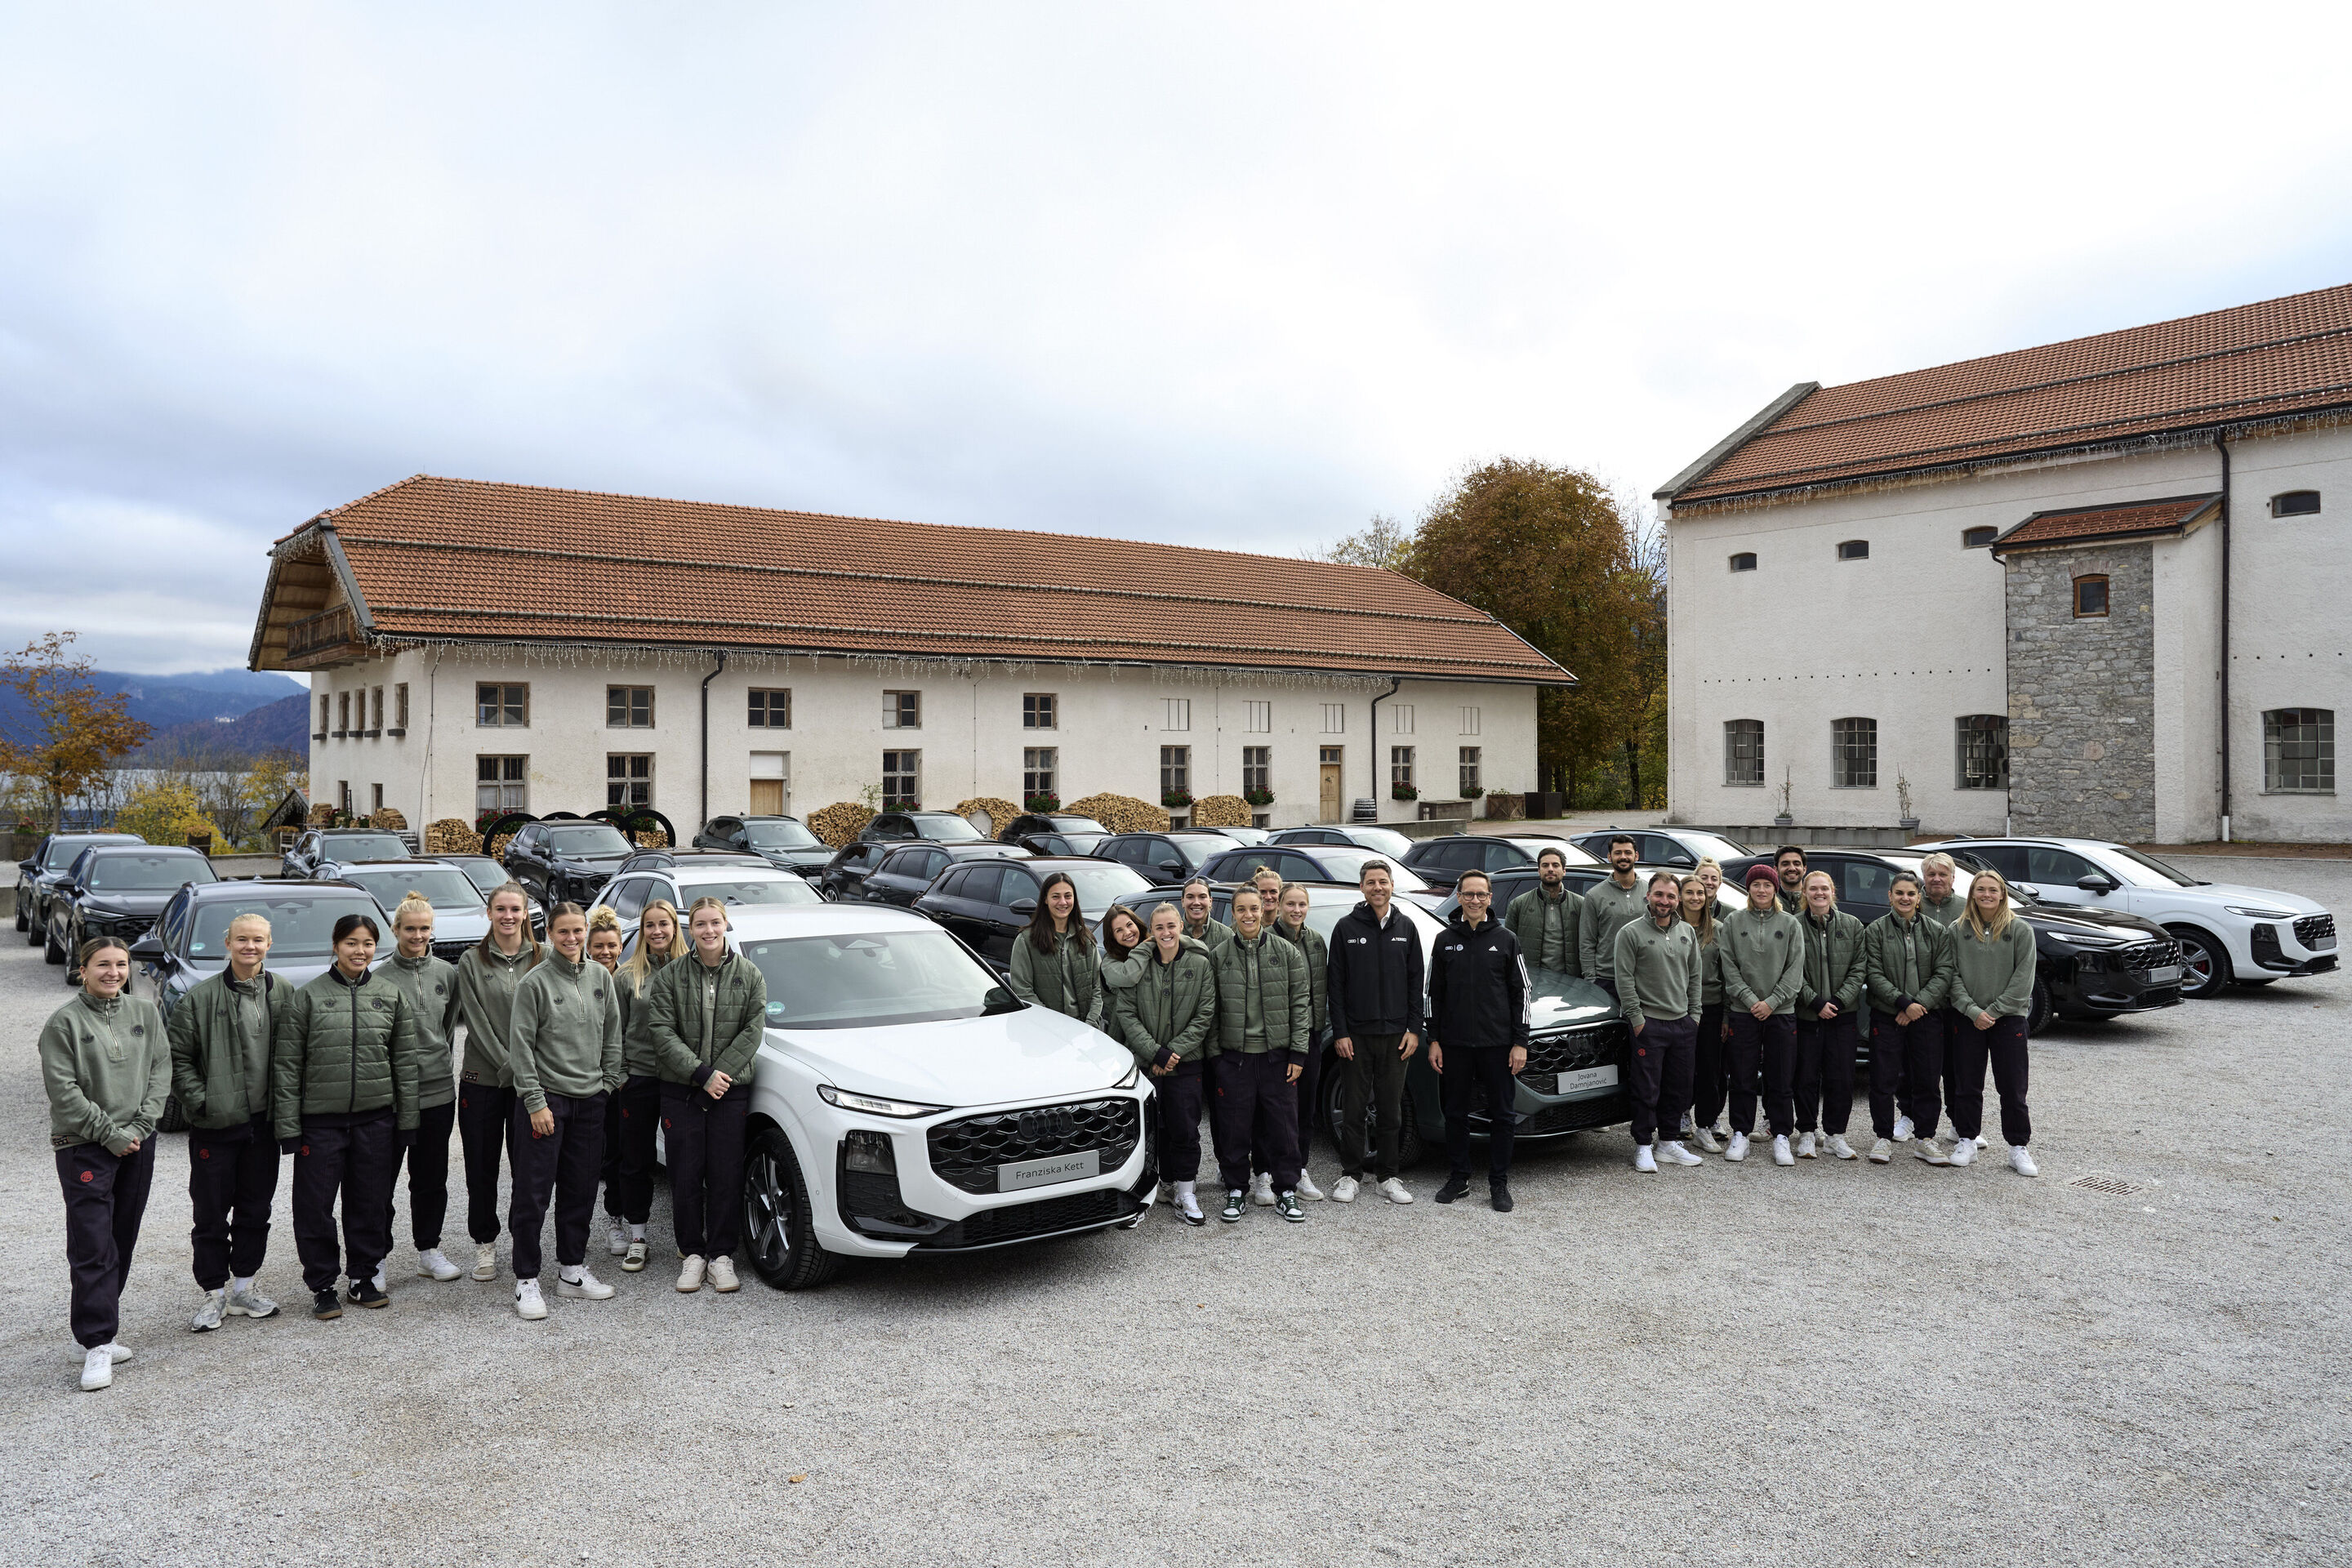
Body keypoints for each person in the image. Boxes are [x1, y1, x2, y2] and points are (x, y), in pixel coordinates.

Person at [274, 913, 421, 1321]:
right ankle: (323, 1284)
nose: (360, 951)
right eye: (352, 943)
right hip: (320, 1124)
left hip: (376, 1122)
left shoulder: (390, 995)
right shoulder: (308, 997)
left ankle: (363, 1277)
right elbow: (287, 1066)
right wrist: (289, 1128)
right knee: (315, 1207)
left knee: (370, 1203)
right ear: (336, 945)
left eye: (368, 944)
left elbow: (404, 1064)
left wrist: (407, 1121)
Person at [42, 936, 169, 1391]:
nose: (113, 972)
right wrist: (109, 1134)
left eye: (120, 964)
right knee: (93, 1244)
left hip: (137, 1141)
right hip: (84, 1146)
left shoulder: (145, 1014)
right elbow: (65, 1091)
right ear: (83, 969)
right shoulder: (64, 1024)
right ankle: (97, 1343)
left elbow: (160, 1072)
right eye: (102, 965)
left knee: (122, 1236)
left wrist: (139, 1126)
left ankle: (99, 1325)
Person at [169, 910, 289, 1332]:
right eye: (242, 939)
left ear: (269, 944)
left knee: (256, 1210)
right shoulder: (199, 999)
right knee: (211, 1212)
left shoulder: (284, 993)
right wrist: (203, 1104)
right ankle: (213, 1294)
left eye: (258, 939)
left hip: (264, 1125)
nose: (250, 946)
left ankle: (244, 1288)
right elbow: (178, 1059)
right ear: (228, 943)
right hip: (215, 1126)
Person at [506, 904, 622, 1318]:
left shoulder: (599, 978)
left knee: (580, 1189)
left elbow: (612, 1034)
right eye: (563, 932)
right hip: (546, 1102)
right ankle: (526, 1279)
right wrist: (535, 1102)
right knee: (533, 1194)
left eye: (578, 931)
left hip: (590, 1101)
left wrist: (606, 1086)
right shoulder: (534, 983)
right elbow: (520, 1048)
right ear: (549, 933)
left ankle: (571, 1270)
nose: (571, 939)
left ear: (586, 931)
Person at [650, 897, 770, 1291]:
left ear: (725, 924)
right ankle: (692, 1255)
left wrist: (721, 1075)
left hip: (729, 1092)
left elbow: (753, 1030)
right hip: (682, 1090)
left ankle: (721, 1256)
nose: (708, 931)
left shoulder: (750, 974)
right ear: (690, 929)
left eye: (714, 923)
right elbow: (662, 1031)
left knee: (725, 1174)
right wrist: (702, 1074)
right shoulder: (670, 976)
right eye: (700, 924)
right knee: (685, 1174)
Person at [373, 895, 465, 1290]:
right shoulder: (377, 977)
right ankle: (373, 1258)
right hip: (391, 1097)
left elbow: (447, 1031)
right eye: (409, 929)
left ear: (432, 931)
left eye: (424, 928)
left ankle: (428, 1250)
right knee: (379, 1180)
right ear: (395, 931)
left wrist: (437, 1063)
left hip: (438, 1093)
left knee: (430, 1178)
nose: (417, 935)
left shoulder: (447, 974)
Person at [452, 884, 541, 1282]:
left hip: (531, 1086)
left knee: (528, 1170)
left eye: (515, 909)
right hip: (483, 1081)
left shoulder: (544, 956)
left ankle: (526, 1242)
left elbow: (549, 1024)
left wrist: (524, 1074)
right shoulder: (471, 961)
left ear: (526, 913)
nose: (508, 916)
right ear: (489, 913)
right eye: (500, 909)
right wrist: (511, 1067)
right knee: (481, 1169)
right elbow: (475, 1021)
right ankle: (485, 1245)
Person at [1205, 888, 1311, 1223]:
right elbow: (1210, 1010)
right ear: (1232, 914)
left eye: (1254, 908)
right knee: (1235, 1128)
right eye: (1241, 910)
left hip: (1277, 1057)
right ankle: (1237, 1189)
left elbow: (1300, 1004)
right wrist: (1217, 1059)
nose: (1249, 915)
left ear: (1264, 909)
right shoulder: (1219, 955)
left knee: (1284, 1127)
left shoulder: (1286, 952)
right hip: (1235, 1059)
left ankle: (1287, 1191)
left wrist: (1298, 1052)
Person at [1109, 902, 1218, 1225]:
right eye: (1159, 928)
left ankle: (1186, 1192)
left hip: (1185, 1063)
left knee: (1185, 1128)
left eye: (1171, 926)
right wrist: (1154, 1051)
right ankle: (1143, 1192)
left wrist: (1172, 1053)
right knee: (1148, 1129)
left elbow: (1205, 1014)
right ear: (1151, 932)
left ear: (1181, 926)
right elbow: (1126, 1013)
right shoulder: (1138, 965)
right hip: (1147, 1063)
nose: (1166, 933)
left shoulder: (1199, 963)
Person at [1428, 870, 1531, 1209]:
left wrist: (1520, 1042)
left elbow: (1523, 994)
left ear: (1490, 898)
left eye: (1481, 895)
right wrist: (1435, 1040)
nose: (1475, 900)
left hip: (1498, 1045)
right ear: (1458, 897)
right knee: (1455, 1113)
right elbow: (1433, 995)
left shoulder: (1506, 939)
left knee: (1503, 1115)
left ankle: (1499, 1183)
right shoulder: (1444, 940)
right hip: (1455, 1046)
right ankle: (1459, 1179)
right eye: (1468, 894)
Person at [1325, 861, 1423, 1204]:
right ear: (1362, 888)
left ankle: (1388, 1176)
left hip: (1397, 1036)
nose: (1377, 887)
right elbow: (1334, 986)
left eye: (1383, 881)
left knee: (1390, 1110)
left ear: (1392, 885)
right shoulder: (1346, 928)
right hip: (1357, 1036)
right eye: (1371, 882)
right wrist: (1341, 1032)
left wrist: (1414, 1029)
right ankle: (1350, 1175)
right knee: (1353, 1109)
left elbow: (1416, 983)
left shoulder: (1406, 927)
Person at [1940, 871, 2038, 1176]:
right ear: (1972, 894)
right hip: (1968, 1019)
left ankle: (2018, 1147)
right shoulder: (1957, 930)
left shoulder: (2020, 930)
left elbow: (2023, 979)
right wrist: (1972, 1011)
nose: (1986, 895)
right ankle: (1967, 1140)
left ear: (2002, 894)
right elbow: (1950, 974)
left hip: (2008, 1020)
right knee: (1967, 1085)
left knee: (2012, 1088)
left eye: (1992, 890)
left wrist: (1993, 1012)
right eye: (1980, 889)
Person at [604, 898, 679, 1272]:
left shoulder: (690, 971)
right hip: (639, 1079)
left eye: (663, 923)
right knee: (635, 1160)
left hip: (681, 1081)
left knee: (684, 1161)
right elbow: (612, 1032)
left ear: (675, 926)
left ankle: (689, 1239)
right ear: (642, 931)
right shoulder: (627, 975)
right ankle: (637, 1235)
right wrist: (620, 1076)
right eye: (650, 925)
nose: (657, 931)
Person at [1861, 871, 1955, 1165]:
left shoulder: (1936, 931)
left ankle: (1926, 1139)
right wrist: (1903, 1003)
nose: (1905, 898)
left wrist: (1918, 1005)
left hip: (1926, 1016)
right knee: (1883, 1079)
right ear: (1889, 896)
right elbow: (1873, 973)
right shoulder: (1875, 931)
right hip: (1888, 1015)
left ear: (1918, 897)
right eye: (1899, 893)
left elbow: (1945, 971)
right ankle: (1883, 1138)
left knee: (1927, 1079)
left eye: (1911, 894)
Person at [1613, 872, 1704, 1172]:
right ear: (1648, 896)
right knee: (1646, 1089)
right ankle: (1642, 1145)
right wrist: (1637, 1020)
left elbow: (1694, 977)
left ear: (1677, 900)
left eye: (1670, 896)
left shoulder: (1687, 932)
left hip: (1682, 1024)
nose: (1664, 901)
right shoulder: (1630, 933)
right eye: (1659, 895)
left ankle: (1667, 1143)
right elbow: (1624, 980)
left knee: (1678, 1088)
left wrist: (1695, 1016)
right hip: (1649, 1024)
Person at [1717, 862, 1805, 1165]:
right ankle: (1741, 1133)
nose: (1762, 890)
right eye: (1756, 885)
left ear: (1775, 887)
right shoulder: (1733, 922)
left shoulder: (1791, 923)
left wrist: (1773, 1001)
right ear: (1749, 889)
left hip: (1781, 1012)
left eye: (1767, 885)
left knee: (1780, 1077)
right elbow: (1728, 965)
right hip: (1744, 1011)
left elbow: (1795, 970)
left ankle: (1781, 1135)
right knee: (1741, 1077)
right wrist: (1751, 999)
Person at [1792, 871, 1866, 1160]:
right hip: (1807, 1015)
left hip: (1842, 1015)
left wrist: (1837, 1001)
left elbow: (1859, 967)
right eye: (1813, 889)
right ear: (1805, 893)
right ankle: (1807, 1133)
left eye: (1825, 888)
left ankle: (1836, 1135)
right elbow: (1791, 970)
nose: (1819, 893)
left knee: (1841, 1078)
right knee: (1806, 1077)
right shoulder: (1793, 926)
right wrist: (1814, 1001)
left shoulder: (1853, 925)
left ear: (1833, 891)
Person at [1268, 883, 1328, 1202]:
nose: (1296, 910)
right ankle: (1270, 1172)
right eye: (1290, 904)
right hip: (1279, 1040)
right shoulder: (1268, 940)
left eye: (1302, 904)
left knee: (1305, 1108)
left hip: (1312, 1036)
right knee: (1278, 1111)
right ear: (1278, 905)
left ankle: (1300, 1168)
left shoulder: (1316, 941)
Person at [1913, 849, 1974, 1150]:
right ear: (1923, 877)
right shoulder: (1913, 902)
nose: (1936, 879)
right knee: (1915, 1065)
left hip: (1957, 1002)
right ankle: (1908, 1115)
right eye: (1931, 874)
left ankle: (1957, 1121)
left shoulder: (1967, 908)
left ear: (1953, 878)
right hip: (1921, 1000)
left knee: (1956, 1066)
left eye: (1943, 874)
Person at [1677, 875, 1731, 1154]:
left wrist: (1726, 1016)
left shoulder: (1719, 930)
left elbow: (1727, 975)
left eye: (1700, 892)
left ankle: (1706, 1124)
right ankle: (1679, 1116)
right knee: (1680, 1069)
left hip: (1710, 1007)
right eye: (1690, 892)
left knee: (1710, 1070)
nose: (1696, 897)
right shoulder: (1670, 928)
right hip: (1676, 1007)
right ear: (1680, 896)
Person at [1008, 871, 1102, 1026]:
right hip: (1046, 1029)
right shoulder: (1026, 940)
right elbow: (1023, 989)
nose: (1063, 902)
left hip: (1084, 1028)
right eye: (1056, 896)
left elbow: (1098, 988)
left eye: (1068, 896)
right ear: (1045, 899)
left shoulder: (1085, 938)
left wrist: (1090, 1024)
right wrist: (1052, 1023)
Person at [1579, 835, 1645, 1000]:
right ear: (1609, 857)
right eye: (1618, 853)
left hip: (1644, 978)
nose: (1623, 857)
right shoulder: (1594, 895)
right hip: (1607, 979)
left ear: (1636, 856)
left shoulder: (1651, 891)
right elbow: (1587, 941)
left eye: (1628, 852)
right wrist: (1591, 980)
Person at [1504, 846, 1581, 978]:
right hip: (1532, 981)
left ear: (1564, 871)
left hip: (1571, 983)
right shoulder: (1519, 904)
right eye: (1545, 865)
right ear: (1539, 871)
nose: (1550, 869)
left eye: (1555, 865)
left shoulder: (1580, 904)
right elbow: (1508, 947)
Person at [1773, 846, 1810, 915]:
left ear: (1804, 869)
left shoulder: (1816, 900)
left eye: (1797, 864)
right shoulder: (1768, 901)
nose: (1792, 868)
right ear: (1776, 870)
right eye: (1785, 864)